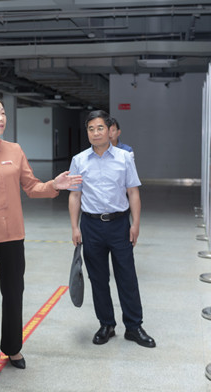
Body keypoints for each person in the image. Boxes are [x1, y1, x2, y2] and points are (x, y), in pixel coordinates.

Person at [0, 96, 82, 386]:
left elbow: (32, 187)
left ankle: (12, 347)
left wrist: (54, 185)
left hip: (13, 237)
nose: (1, 118)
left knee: (14, 294)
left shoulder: (14, 150)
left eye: (3, 113)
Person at [68, 110, 155, 348]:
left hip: (119, 225)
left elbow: (133, 192)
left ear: (110, 131)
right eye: (91, 129)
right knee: (98, 278)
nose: (95, 133)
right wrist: (75, 227)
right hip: (91, 225)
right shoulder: (79, 160)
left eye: (100, 128)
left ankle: (134, 326)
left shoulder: (124, 158)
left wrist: (135, 224)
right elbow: (75, 196)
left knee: (127, 276)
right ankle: (106, 324)